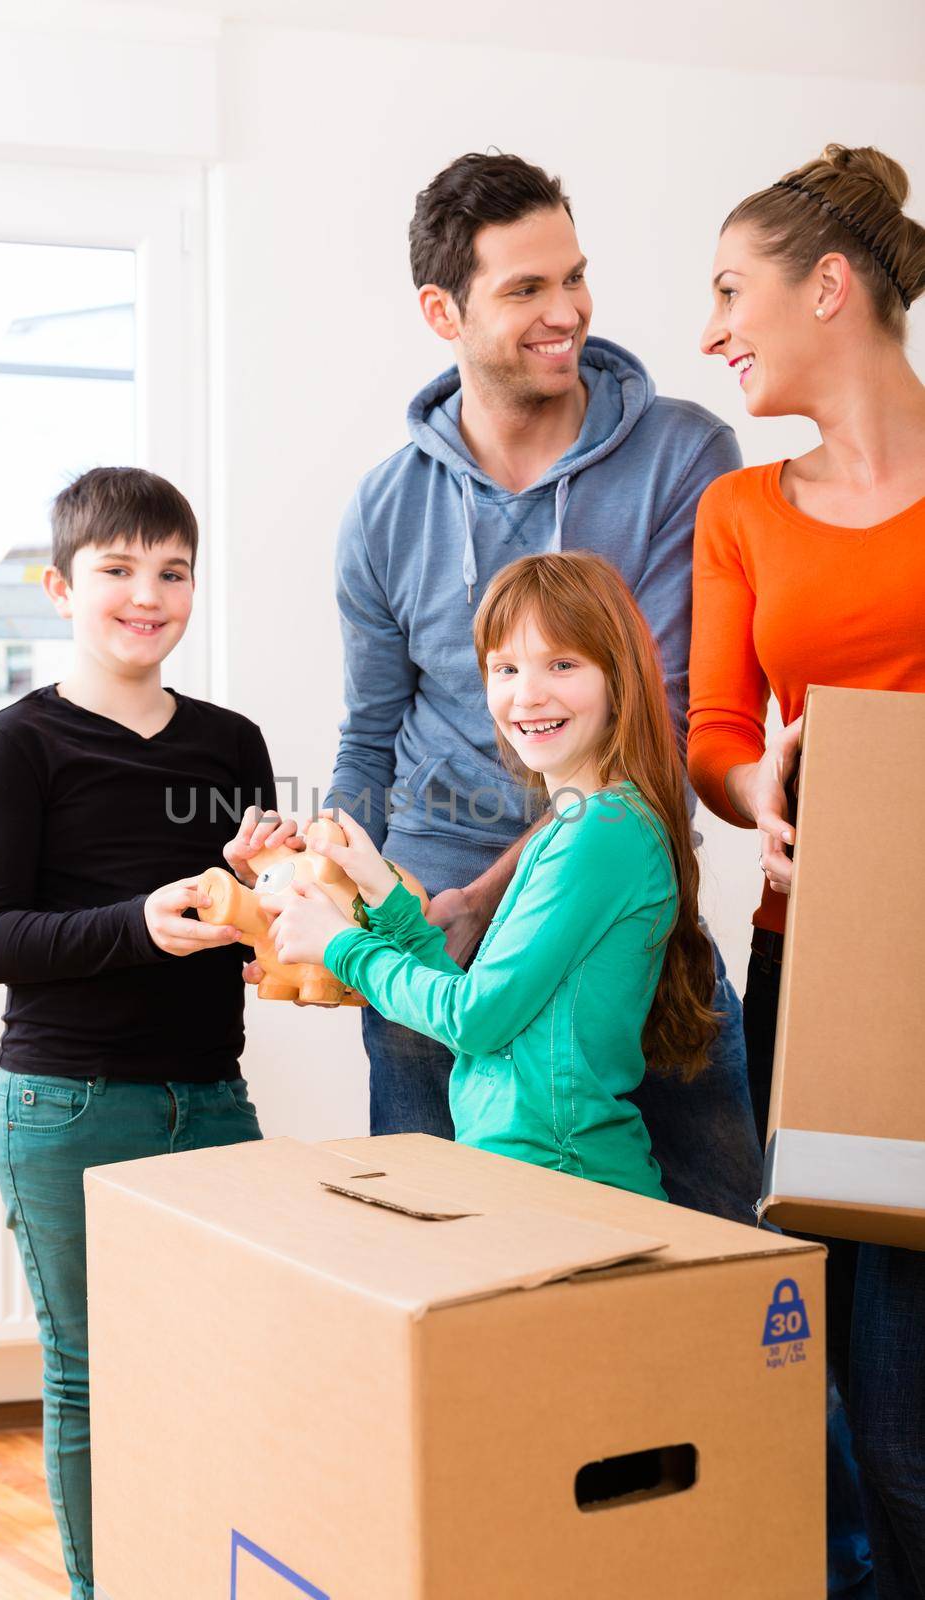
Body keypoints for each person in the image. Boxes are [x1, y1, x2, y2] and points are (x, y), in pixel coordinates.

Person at [322, 149, 761, 1227]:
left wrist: (488, 900)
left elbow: (652, 720)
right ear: (443, 310)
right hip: (431, 950)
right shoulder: (386, 508)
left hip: (622, 925)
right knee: (443, 1279)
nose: (565, 310)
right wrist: (333, 884)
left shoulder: (679, 458)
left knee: (723, 1273)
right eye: (524, 288)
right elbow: (370, 736)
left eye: (572, 276)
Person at [0, 467, 289, 1600]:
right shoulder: (18, 745)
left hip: (212, 1097)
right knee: (90, 1376)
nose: (145, 595)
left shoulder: (233, 742)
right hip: (66, 1107)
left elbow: (236, 912)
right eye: (115, 571)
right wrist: (140, 924)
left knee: (228, 1364)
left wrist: (260, 887)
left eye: (171, 571)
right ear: (60, 586)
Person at [691, 143, 925, 1600]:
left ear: (825, 288)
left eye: (730, 291)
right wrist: (751, 786)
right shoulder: (740, 514)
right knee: (873, 1377)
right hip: (820, 976)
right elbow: (715, 729)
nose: (712, 328)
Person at [269, 551, 717, 1199]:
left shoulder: (598, 835)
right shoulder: (584, 824)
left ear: (618, 679)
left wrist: (339, 945)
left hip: (563, 1183)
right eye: (504, 668)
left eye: (561, 664)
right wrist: (384, 895)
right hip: (528, 1177)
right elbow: (491, 1011)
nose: (526, 694)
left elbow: (473, 1019)